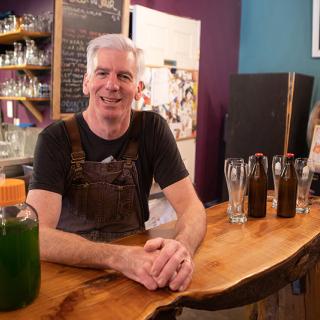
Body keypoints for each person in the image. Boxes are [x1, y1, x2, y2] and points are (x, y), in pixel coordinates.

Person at [27, 34, 206, 293]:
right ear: (87, 82)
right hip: (72, 272)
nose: (112, 85)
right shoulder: (55, 139)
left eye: (124, 76)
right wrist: (117, 257)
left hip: (140, 274)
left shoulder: (153, 129)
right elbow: (38, 236)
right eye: (102, 73)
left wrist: (183, 247)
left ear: (138, 89)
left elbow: (193, 207)